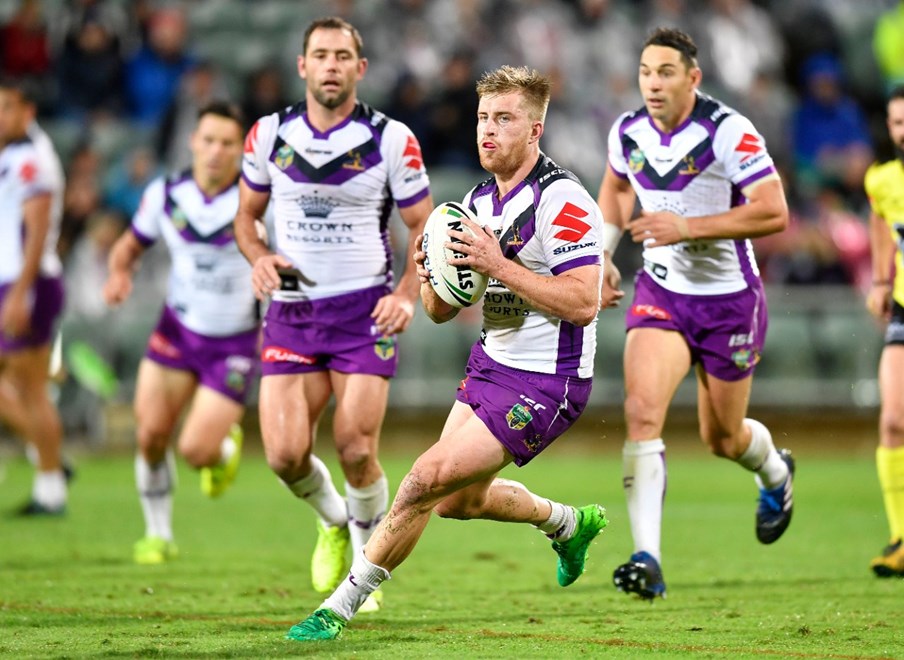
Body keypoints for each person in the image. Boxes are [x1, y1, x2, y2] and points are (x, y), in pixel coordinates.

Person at [286, 64, 608, 642]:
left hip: (548, 381)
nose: (488, 130)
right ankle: (567, 524)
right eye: (483, 118)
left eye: (504, 119)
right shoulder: (477, 202)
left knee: (421, 481)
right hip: (490, 365)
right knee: (455, 502)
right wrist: (428, 275)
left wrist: (496, 265)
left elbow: (585, 302)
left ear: (535, 130)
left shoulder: (563, 200)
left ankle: (337, 608)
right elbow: (439, 312)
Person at [234, 17, 433, 614]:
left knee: (355, 448)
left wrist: (405, 294)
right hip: (292, 313)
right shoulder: (268, 134)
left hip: (364, 313)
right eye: (320, 54)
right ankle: (330, 518)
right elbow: (245, 217)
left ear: (360, 68)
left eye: (342, 56)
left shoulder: (391, 138)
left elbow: (424, 225)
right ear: (302, 65)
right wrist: (259, 255)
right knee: (283, 455)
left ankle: (362, 574)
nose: (330, 65)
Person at [596, 27, 793, 600]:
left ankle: (776, 472)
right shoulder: (627, 131)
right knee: (641, 414)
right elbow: (616, 189)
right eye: (645, 72)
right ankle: (647, 560)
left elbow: (774, 211)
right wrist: (604, 253)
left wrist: (687, 227)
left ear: (693, 78)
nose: (652, 84)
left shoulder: (729, 131)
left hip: (729, 300)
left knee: (723, 437)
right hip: (662, 292)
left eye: (665, 72)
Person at [102, 101, 257, 565]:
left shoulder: (256, 202)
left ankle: (222, 449)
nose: (216, 151)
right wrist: (119, 274)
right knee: (150, 435)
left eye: (227, 143)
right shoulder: (166, 195)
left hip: (233, 342)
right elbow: (128, 247)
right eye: (208, 140)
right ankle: (158, 534)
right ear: (193, 142)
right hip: (177, 330)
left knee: (195, 451)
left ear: (241, 149)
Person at [0, 78, 68, 515]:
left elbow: (36, 230)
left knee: (30, 389)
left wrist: (20, 293)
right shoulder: (13, 155)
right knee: (23, 389)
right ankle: (48, 455)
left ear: (28, 112)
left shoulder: (30, 159)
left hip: (27, 282)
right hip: (12, 281)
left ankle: (51, 483)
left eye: (7, 107)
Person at [864, 85, 904, 578]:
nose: (903, 131)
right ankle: (900, 538)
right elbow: (879, 218)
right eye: (897, 123)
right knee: (893, 421)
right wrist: (879, 278)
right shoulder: (883, 179)